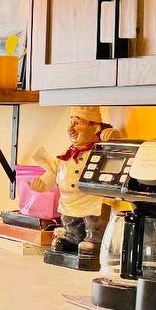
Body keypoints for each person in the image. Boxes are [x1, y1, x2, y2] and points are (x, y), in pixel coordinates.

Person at [29, 106, 113, 259]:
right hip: (69, 202)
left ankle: (95, 240)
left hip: (91, 201)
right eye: (71, 123)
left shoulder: (99, 151)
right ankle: (73, 238)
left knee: (94, 221)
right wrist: (42, 183)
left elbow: (116, 155)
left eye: (77, 124)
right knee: (70, 221)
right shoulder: (67, 152)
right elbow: (54, 171)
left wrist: (113, 138)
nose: (70, 129)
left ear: (94, 127)